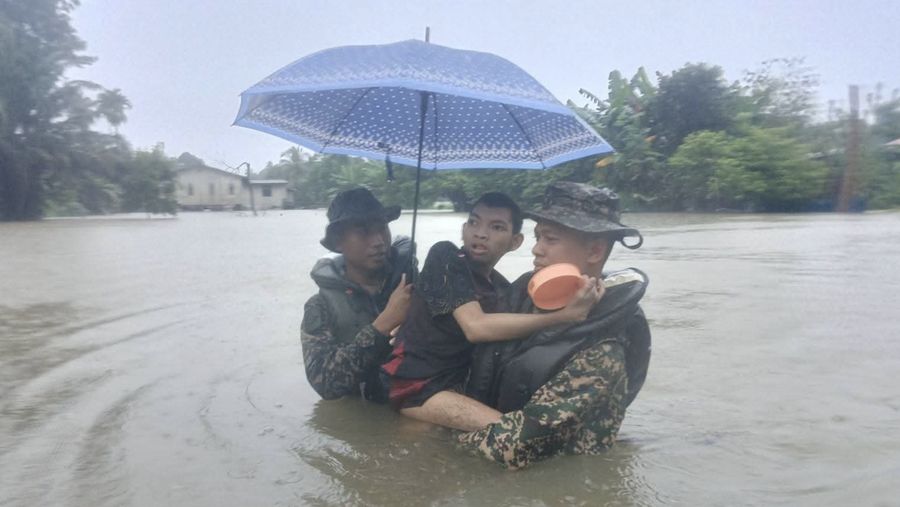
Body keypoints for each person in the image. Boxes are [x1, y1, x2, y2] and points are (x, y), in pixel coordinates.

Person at [459, 181, 652, 469]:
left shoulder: (603, 350)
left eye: (550, 239)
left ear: (595, 251)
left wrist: (438, 427)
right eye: (537, 237)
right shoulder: (523, 297)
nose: (536, 250)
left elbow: (516, 448)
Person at [381, 192, 603, 431]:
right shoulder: (445, 258)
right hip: (416, 386)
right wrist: (563, 316)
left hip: (462, 386)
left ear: (515, 241)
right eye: (474, 223)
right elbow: (475, 327)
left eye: (496, 227)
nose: (481, 233)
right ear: (463, 228)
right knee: (512, 434)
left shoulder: (502, 288)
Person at [301, 187, 416, 402]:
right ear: (338, 242)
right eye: (363, 232)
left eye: (382, 228)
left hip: (416, 401)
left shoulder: (410, 282)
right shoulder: (320, 306)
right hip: (366, 411)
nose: (379, 241)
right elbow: (325, 384)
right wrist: (383, 325)